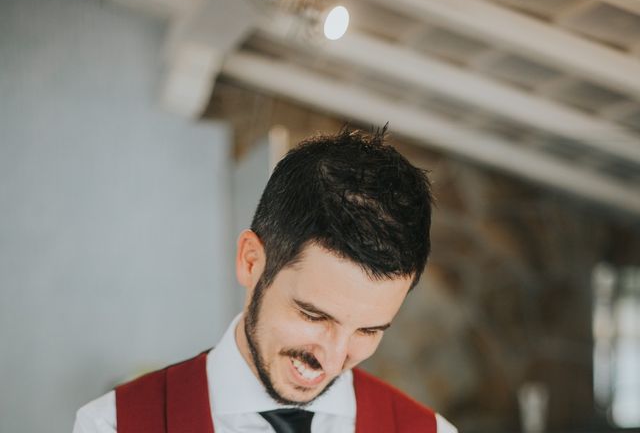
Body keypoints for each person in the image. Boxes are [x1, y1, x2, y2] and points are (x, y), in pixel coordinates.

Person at [73, 128, 457, 433]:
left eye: (368, 331)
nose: (334, 358)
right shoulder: (110, 426)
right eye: (313, 315)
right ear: (250, 260)